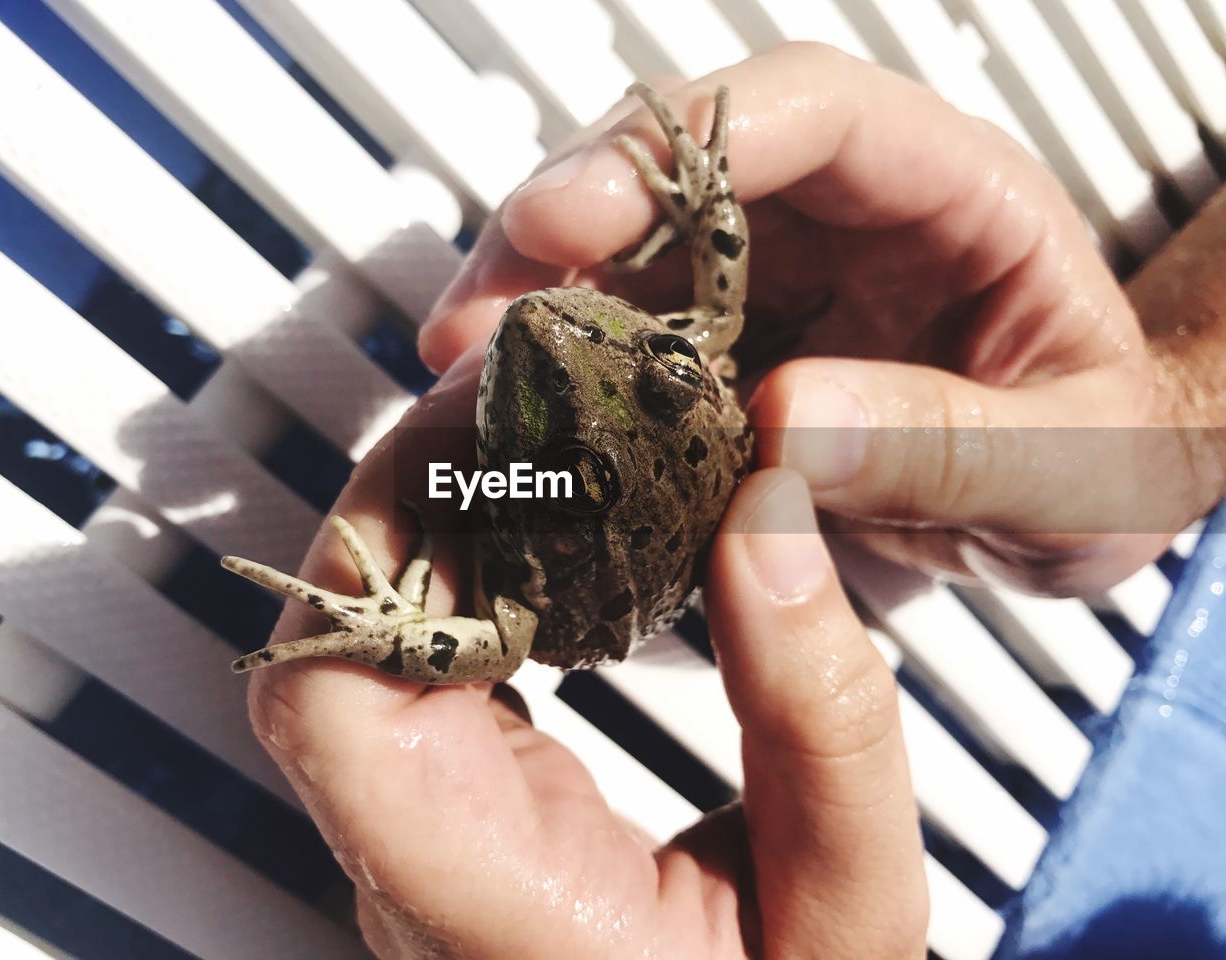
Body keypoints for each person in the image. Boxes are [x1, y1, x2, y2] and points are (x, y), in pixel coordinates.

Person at [245, 44, 1226, 958]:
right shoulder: (687, 360)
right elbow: (714, 312)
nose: (566, 335)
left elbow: (503, 632)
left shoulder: (583, 437)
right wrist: (1174, 422)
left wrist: (398, 615)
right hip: (658, 543)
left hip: (602, 600)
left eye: (659, 365)